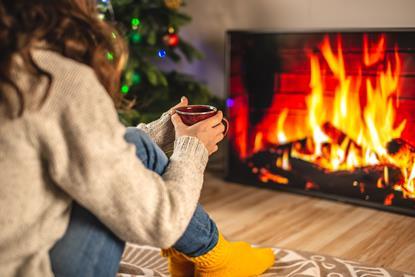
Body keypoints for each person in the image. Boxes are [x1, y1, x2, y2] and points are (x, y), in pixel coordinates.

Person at [0, 1, 275, 276]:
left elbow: (91, 151)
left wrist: (164, 132)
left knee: (136, 143)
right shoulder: (51, 78)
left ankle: (198, 253)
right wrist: (193, 147)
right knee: (140, 159)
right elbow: (162, 222)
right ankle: (216, 257)